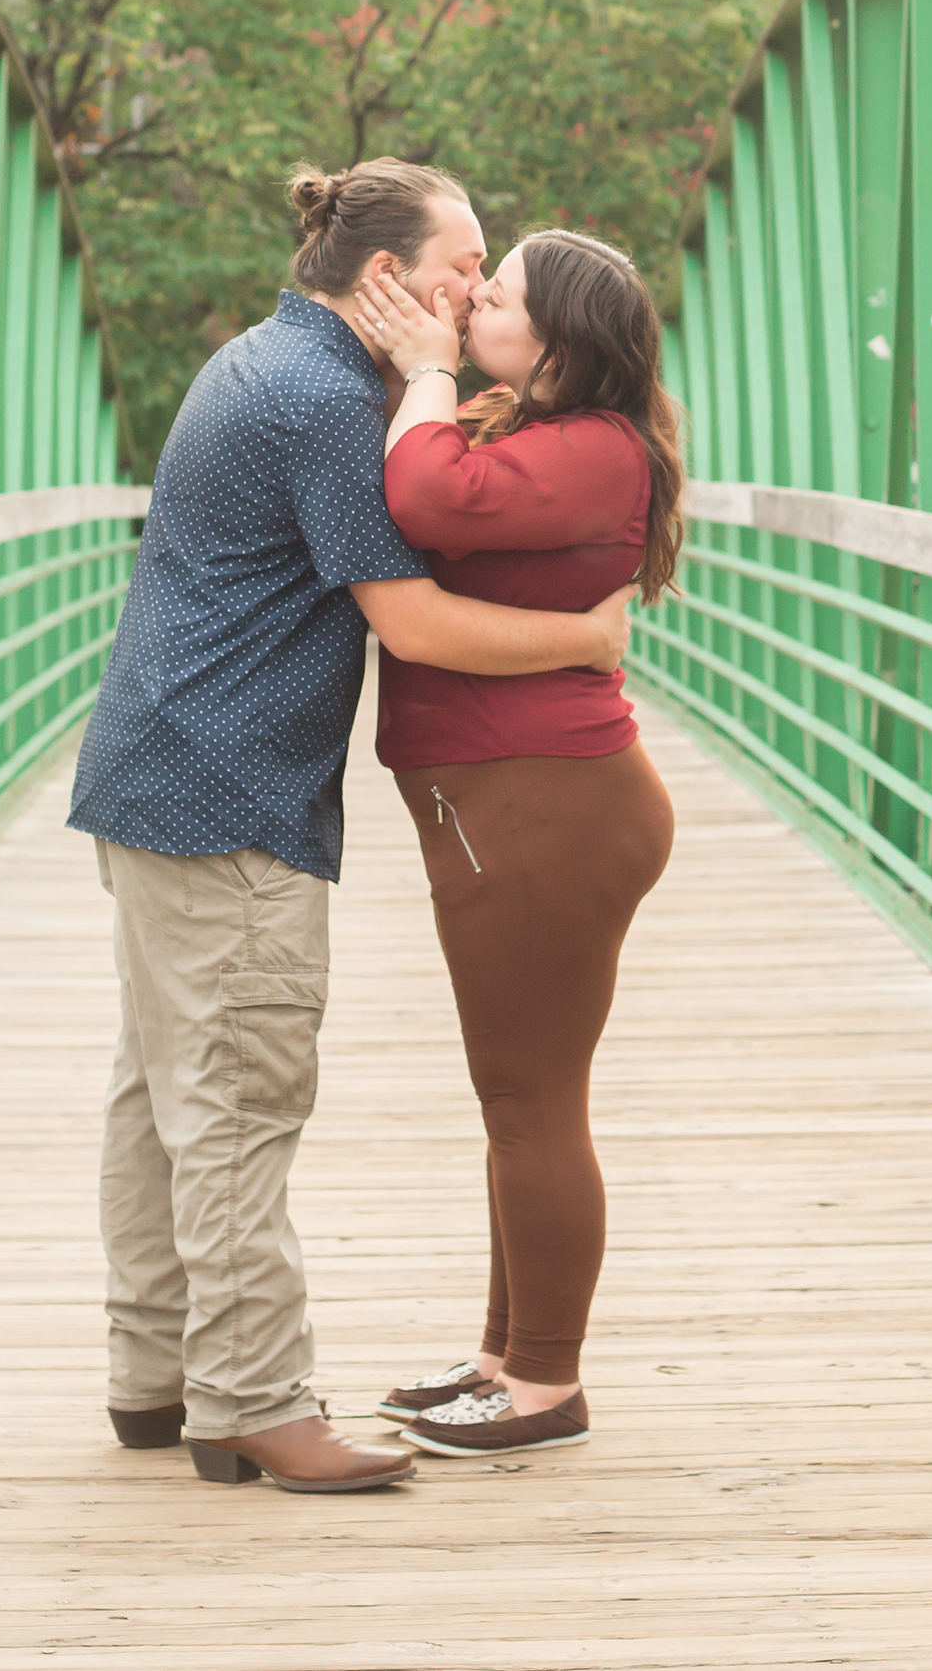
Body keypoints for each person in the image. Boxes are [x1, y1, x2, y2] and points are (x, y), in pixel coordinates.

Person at [67, 162, 637, 1498]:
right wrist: (588, 638)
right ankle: (256, 1402)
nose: (471, 293)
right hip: (231, 793)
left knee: (161, 1097)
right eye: (461, 268)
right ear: (382, 278)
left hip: (153, 772)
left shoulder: (254, 361)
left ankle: (155, 1377)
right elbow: (416, 621)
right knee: (239, 1106)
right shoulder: (326, 403)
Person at [351, 230, 682, 1458]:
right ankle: (504, 1356)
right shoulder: (535, 430)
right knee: (517, 1102)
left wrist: (428, 365)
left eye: (499, 294)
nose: (474, 300)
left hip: (548, 805)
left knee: (533, 1102)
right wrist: (437, 375)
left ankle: (546, 1386)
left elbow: (424, 496)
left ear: (558, 342)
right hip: (517, 799)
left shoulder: (596, 449)